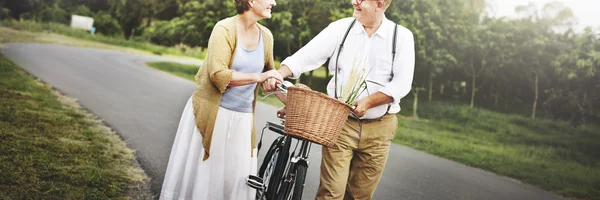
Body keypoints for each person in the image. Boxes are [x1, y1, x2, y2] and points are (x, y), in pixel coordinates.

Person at [264, 0, 415, 199]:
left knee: (359, 196)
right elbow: (305, 57)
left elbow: (402, 84)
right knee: (331, 193)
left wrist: (369, 102)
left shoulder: (401, 37)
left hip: (380, 128)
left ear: (378, 4)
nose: (354, 2)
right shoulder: (341, 29)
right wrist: (280, 74)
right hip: (340, 123)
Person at [159, 0, 280, 199]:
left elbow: (269, 73)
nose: (274, 2)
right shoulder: (223, 28)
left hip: (243, 120)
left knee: (234, 182)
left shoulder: (266, 36)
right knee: (205, 179)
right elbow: (218, 75)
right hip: (213, 115)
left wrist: (277, 83)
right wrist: (260, 77)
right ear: (250, 1)